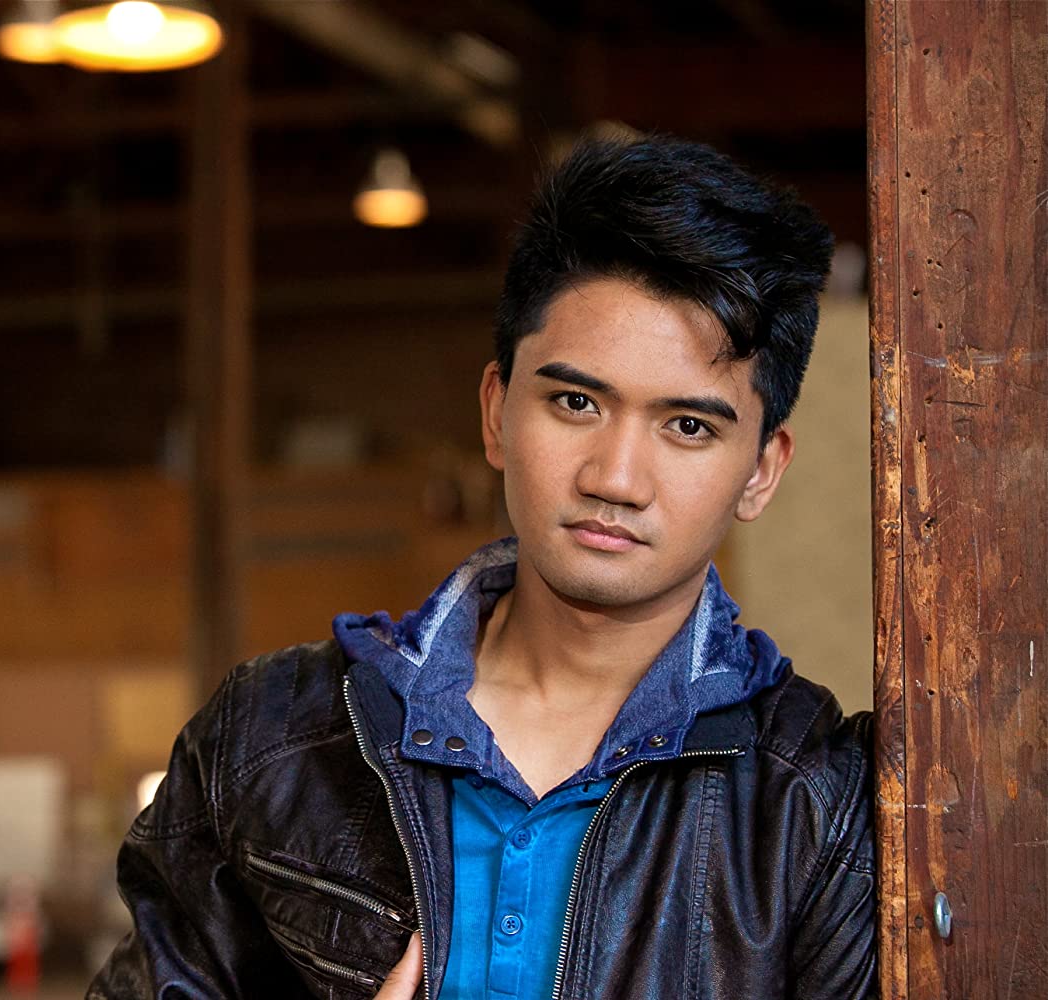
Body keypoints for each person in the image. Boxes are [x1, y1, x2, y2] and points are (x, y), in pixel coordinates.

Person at [88, 135, 875, 1000]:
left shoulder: (816, 806)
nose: (615, 478)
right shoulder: (272, 741)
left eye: (688, 426)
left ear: (761, 470)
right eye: (575, 402)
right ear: (497, 413)